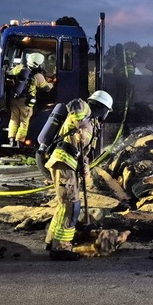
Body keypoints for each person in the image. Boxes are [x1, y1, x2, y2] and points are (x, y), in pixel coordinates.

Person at [42, 91, 113, 260]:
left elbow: (85, 153)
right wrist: (81, 120)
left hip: (70, 165)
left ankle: (52, 240)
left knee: (65, 205)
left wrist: (85, 169)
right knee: (71, 206)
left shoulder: (93, 124)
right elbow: (75, 104)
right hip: (63, 162)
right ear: (102, 108)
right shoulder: (85, 110)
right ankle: (61, 248)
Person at [6, 52, 53, 147]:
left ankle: (11, 139)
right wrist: (52, 83)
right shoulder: (38, 76)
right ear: (38, 64)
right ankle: (19, 141)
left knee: (14, 119)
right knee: (24, 121)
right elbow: (46, 88)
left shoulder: (19, 68)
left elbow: (9, 73)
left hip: (14, 99)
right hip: (26, 102)